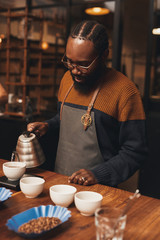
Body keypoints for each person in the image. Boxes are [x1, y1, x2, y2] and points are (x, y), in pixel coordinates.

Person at [27, 20, 148, 187]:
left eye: (84, 64)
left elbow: (135, 152)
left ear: (104, 55)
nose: (74, 70)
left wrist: (98, 175)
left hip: (100, 189)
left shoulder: (126, 92)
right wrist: (48, 125)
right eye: (69, 61)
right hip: (60, 182)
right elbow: (66, 121)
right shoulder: (66, 80)